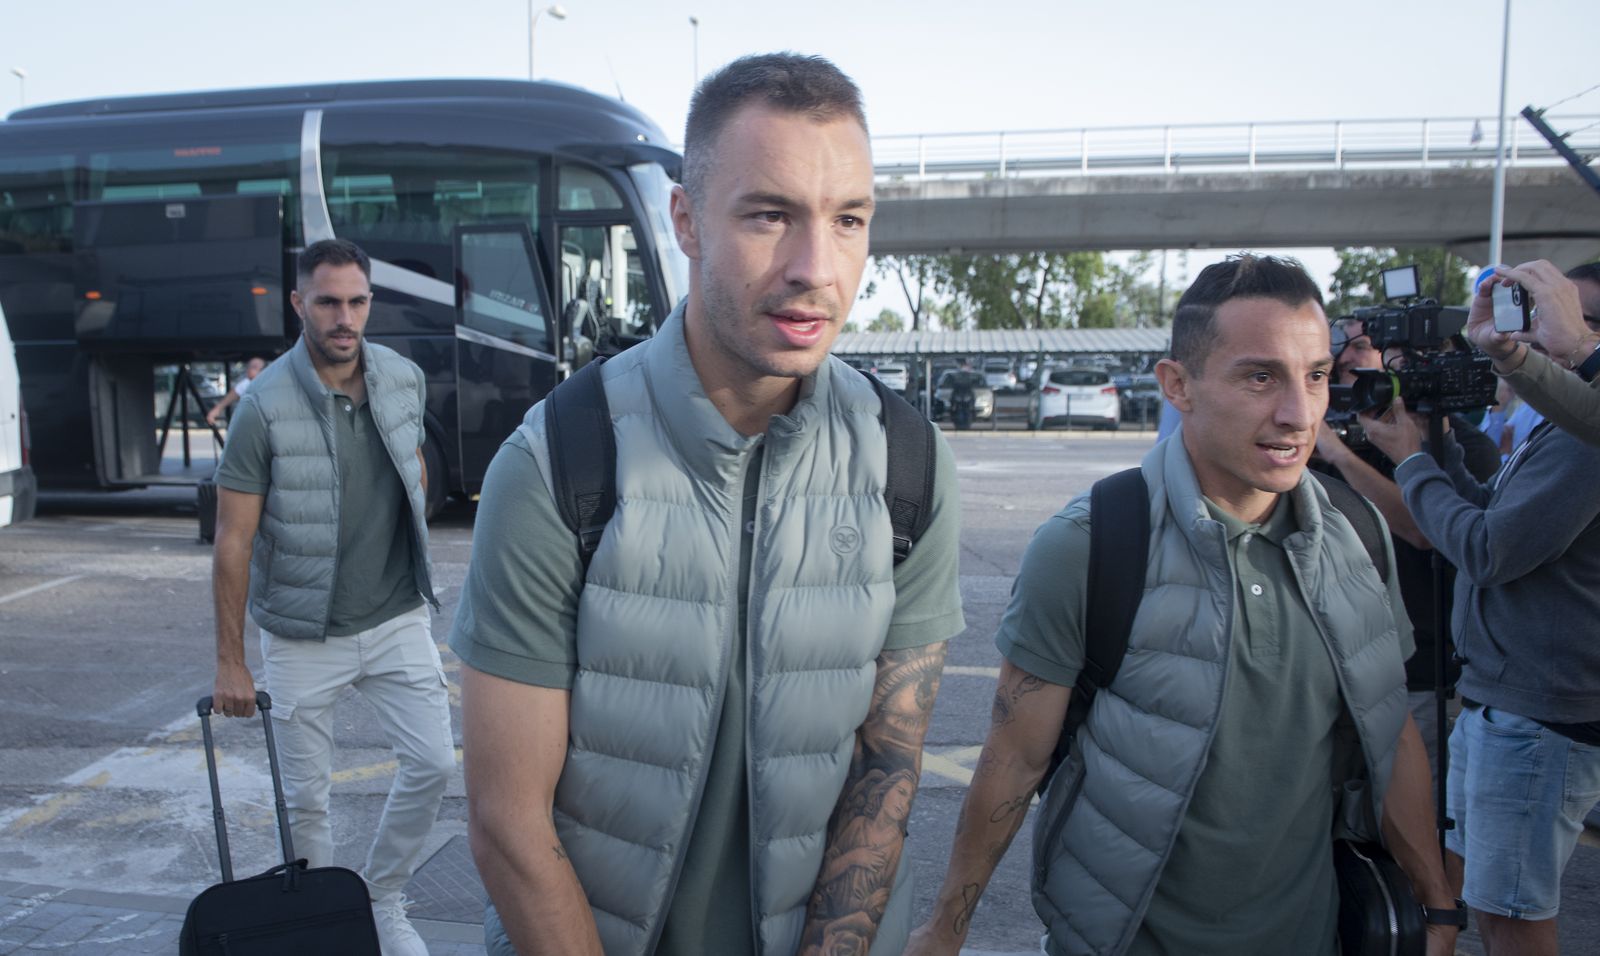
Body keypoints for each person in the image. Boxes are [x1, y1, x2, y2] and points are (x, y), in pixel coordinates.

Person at [449, 53, 964, 956]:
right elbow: (508, 823)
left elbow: (886, 774)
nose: (817, 268)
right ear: (685, 220)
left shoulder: (908, 465)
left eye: (849, 220)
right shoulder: (562, 460)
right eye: (770, 215)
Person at [908, 254, 1458, 956]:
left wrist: (1437, 905)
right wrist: (945, 929)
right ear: (1178, 385)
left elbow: (1392, 731)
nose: (1298, 414)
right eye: (1260, 376)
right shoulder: (1091, 544)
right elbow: (1015, 756)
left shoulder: (1357, 536)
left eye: (1315, 375)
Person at [209, 238, 450, 956]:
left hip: (396, 615)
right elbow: (232, 541)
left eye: (356, 301)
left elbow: (411, 468)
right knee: (305, 802)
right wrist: (231, 662)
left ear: (370, 301)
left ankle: (378, 898)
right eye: (327, 302)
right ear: (298, 305)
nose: (344, 318)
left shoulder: (403, 378)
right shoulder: (265, 408)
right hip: (300, 633)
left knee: (436, 762)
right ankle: (324, 932)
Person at [1363, 346, 1600, 956]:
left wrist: (1412, 460)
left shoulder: (1585, 437)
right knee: (1483, 898)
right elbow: (1484, 511)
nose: (1535, 342)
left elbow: (1487, 550)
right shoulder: (1557, 424)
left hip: (1536, 714)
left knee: (1512, 919)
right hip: (1500, 699)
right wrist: (1432, 439)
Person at [1313, 318, 1501, 775]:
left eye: (1365, 347)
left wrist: (1340, 456)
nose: (1350, 358)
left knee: (1422, 816)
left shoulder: (1458, 445)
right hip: (1340, 665)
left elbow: (1422, 529)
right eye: (1342, 350)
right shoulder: (1325, 438)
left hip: (1420, 671)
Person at [1471, 261, 1600, 446]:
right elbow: (1501, 453)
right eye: (1539, 309)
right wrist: (1505, 353)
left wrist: (1581, 342)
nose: (1540, 320)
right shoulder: (1541, 402)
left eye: (1565, 311)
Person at [204, 355, 267, 426]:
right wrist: (216, 410)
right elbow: (233, 394)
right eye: (249, 367)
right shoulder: (247, 383)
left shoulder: (270, 382)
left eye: (254, 367)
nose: (249, 370)